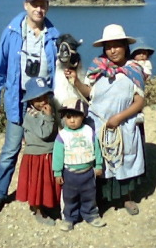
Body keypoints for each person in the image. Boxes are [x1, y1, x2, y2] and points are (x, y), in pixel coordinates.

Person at [0, 0, 60, 214]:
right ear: (25, 5)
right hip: (19, 102)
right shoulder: (12, 33)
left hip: (45, 102)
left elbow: (61, 70)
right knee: (11, 150)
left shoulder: (54, 35)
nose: (39, 8)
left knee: (46, 150)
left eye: (43, 4)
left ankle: (47, 196)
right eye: (34, 4)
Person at [64, 24, 145, 216]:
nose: (113, 50)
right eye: (109, 46)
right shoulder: (97, 68)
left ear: (125, 46)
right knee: (101, 163)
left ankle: (127, 198)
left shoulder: (134, 70)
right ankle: (99, 200)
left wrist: (119, 117)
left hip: (123, 126)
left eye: (117, 45)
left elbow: (139, 101)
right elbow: (90, 94)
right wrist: (76, 81)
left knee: (125, 160)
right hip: (99, 124)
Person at [52, 97, 106, 231]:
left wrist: (98, 165)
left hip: (88, 172)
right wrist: (57, 172)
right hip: (70, 173)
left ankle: (91, 215)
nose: (72, 120)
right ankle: (69, 218)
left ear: (83, 116)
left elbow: (97, 148)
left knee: (89, 195)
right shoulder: (62, 135)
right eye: (68, 117)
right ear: (64, 118)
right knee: (69, 197)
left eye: (76, 116)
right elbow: (58, 155)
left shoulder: (89, 131)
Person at [16, 77, 61, 226]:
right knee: (38, 184)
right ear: (30, 101)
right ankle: (38, 210)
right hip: (37, 156)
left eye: (44, 97)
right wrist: (49, 117)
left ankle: (50, 205)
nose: (42, 102)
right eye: (38, 99)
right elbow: (44, 133)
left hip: (49, 153)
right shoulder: (31, 116)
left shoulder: (48, 110)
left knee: (47, 183)